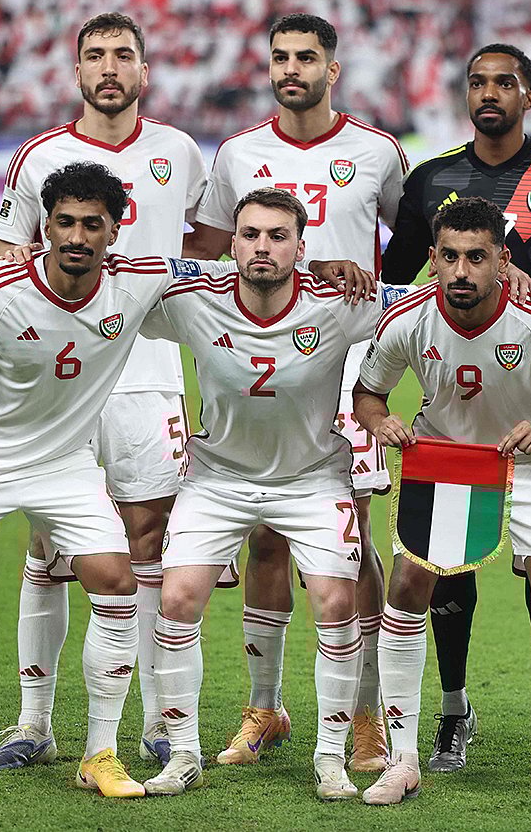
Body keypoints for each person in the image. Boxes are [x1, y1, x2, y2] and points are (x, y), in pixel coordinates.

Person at [0, 162, 205, 805]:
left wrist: (326, 274)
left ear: (113, 231)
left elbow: (231, 280)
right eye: (63, 221)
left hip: (65, 466)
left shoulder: (140, 281)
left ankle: (100, 753)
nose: (75, 235)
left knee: (118, 580)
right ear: (45, 226)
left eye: (91, 224)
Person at [0, 13, 208, 770]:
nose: (109, 67)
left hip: (148, 374)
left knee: (149, 543)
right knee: (47, 548)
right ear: (76, 71)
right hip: (61, 379)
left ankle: (150, 720)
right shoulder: (40, 155)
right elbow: (9, 257)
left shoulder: (179, 151)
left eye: (124, 55)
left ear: (145, 71)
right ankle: (33, 723)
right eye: (95, 56)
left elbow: (204, 247)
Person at [379, 43, 531, 773]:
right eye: (477, 82)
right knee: (445, 569)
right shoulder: (431, 179)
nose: (489, 93)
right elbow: (397, 283)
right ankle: (452, 711)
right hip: (458, 396)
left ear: (529, 94)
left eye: (504, 82)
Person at [187, 13, 407, 771]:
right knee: (264, 532)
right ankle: (265, 707)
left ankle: (367, 714)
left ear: (331, 69)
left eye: (305, 58)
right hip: (260, 361)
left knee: (356, 544)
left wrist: (364, 282)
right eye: (279, 57)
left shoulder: (377, 151)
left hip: (343, 364)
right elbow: (208, 254)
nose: (291, 69)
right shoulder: (238, 152)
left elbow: (406, 258)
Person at [137, 187, 403, 799]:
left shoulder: (338, 302)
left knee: (336, 605)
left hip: (313, 479)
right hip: (218, 479)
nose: (262, 247)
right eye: (250, 234)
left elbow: (432, 299)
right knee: (176, 600)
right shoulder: (190, 299)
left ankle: (332, 756)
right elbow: (111, 283)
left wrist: (510, 275)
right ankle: (183, 755)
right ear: (231, 242)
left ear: (300, 249)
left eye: (277, 237)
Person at [354, 197, 531, 810]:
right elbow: (368, 394)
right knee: (409, 583)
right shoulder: (406, 319)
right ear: (433, 259)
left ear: (501, 259)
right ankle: (403, 758)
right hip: (447, 461)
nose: (461, 270)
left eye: (476, 257)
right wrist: (381, 424)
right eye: (449, 257)